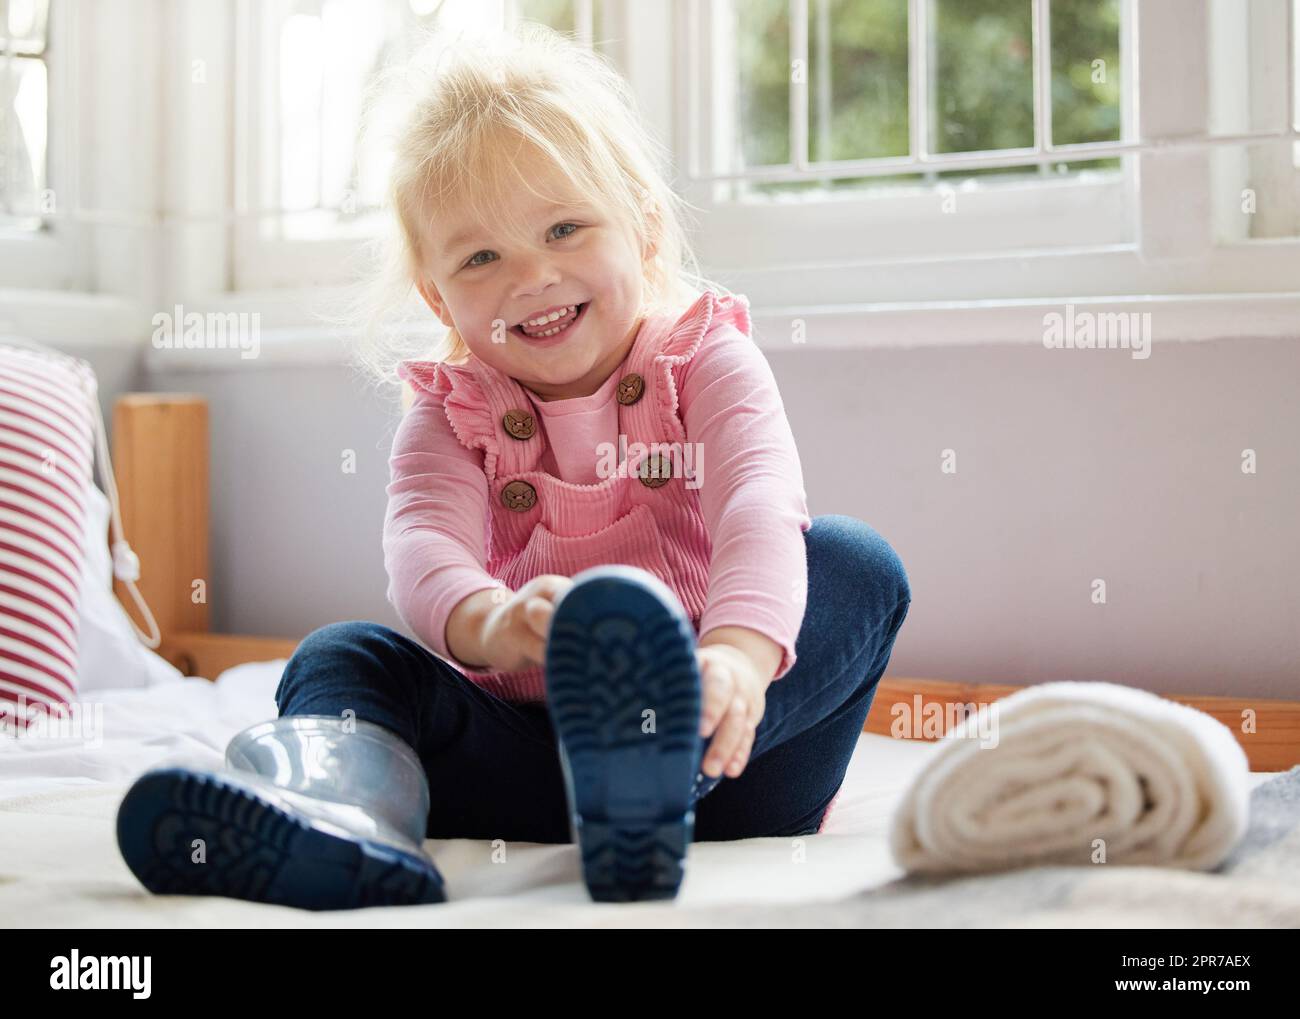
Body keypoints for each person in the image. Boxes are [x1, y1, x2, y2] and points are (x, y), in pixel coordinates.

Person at [115, 21, 911, 910]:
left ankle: (655, 772)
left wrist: (733, 657)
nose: (532, 275)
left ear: (644, 228)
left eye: (565, 228)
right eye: (481, 256)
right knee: (342, 657)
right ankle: (339, 813)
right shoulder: (455, 411)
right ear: (438, 294)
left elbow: (759, 508)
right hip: (525, 766)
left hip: (733, 765)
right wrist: (493, 622)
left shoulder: (707, 361)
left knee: (857, 563)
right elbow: (421, 544)